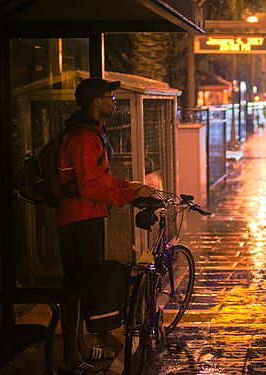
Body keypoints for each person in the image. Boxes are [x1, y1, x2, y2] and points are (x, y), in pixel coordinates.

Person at [56, 78, 155, 374]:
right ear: (95, 102)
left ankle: (82, 347)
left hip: (88, 216)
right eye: (109, 96)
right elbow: (88, 185)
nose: (114, 100)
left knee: (83, 283)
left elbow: (102, 177)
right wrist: (126, 196)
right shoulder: (84, 138)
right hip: (78, 219)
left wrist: (130, 185)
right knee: (75, 286)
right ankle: (72, 358)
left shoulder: (93, 133)